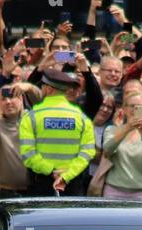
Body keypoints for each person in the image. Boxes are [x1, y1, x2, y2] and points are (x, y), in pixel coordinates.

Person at [19, 68, 97, 196]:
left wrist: (51, 171)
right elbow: (87, 153)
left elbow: (28, 154)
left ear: (49, 89)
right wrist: (67, 175)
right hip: (72, 185)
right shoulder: (82, 118)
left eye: (42, 86)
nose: (41, 90)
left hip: (41, 184)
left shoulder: (31, 117)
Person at [99, 90, 142, 201]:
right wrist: (128, 127)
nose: (134, 110)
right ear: (124, 109)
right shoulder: (112, 130)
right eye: (131, 106)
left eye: (139, 107)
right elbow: (107, 151)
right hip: (114, 191)